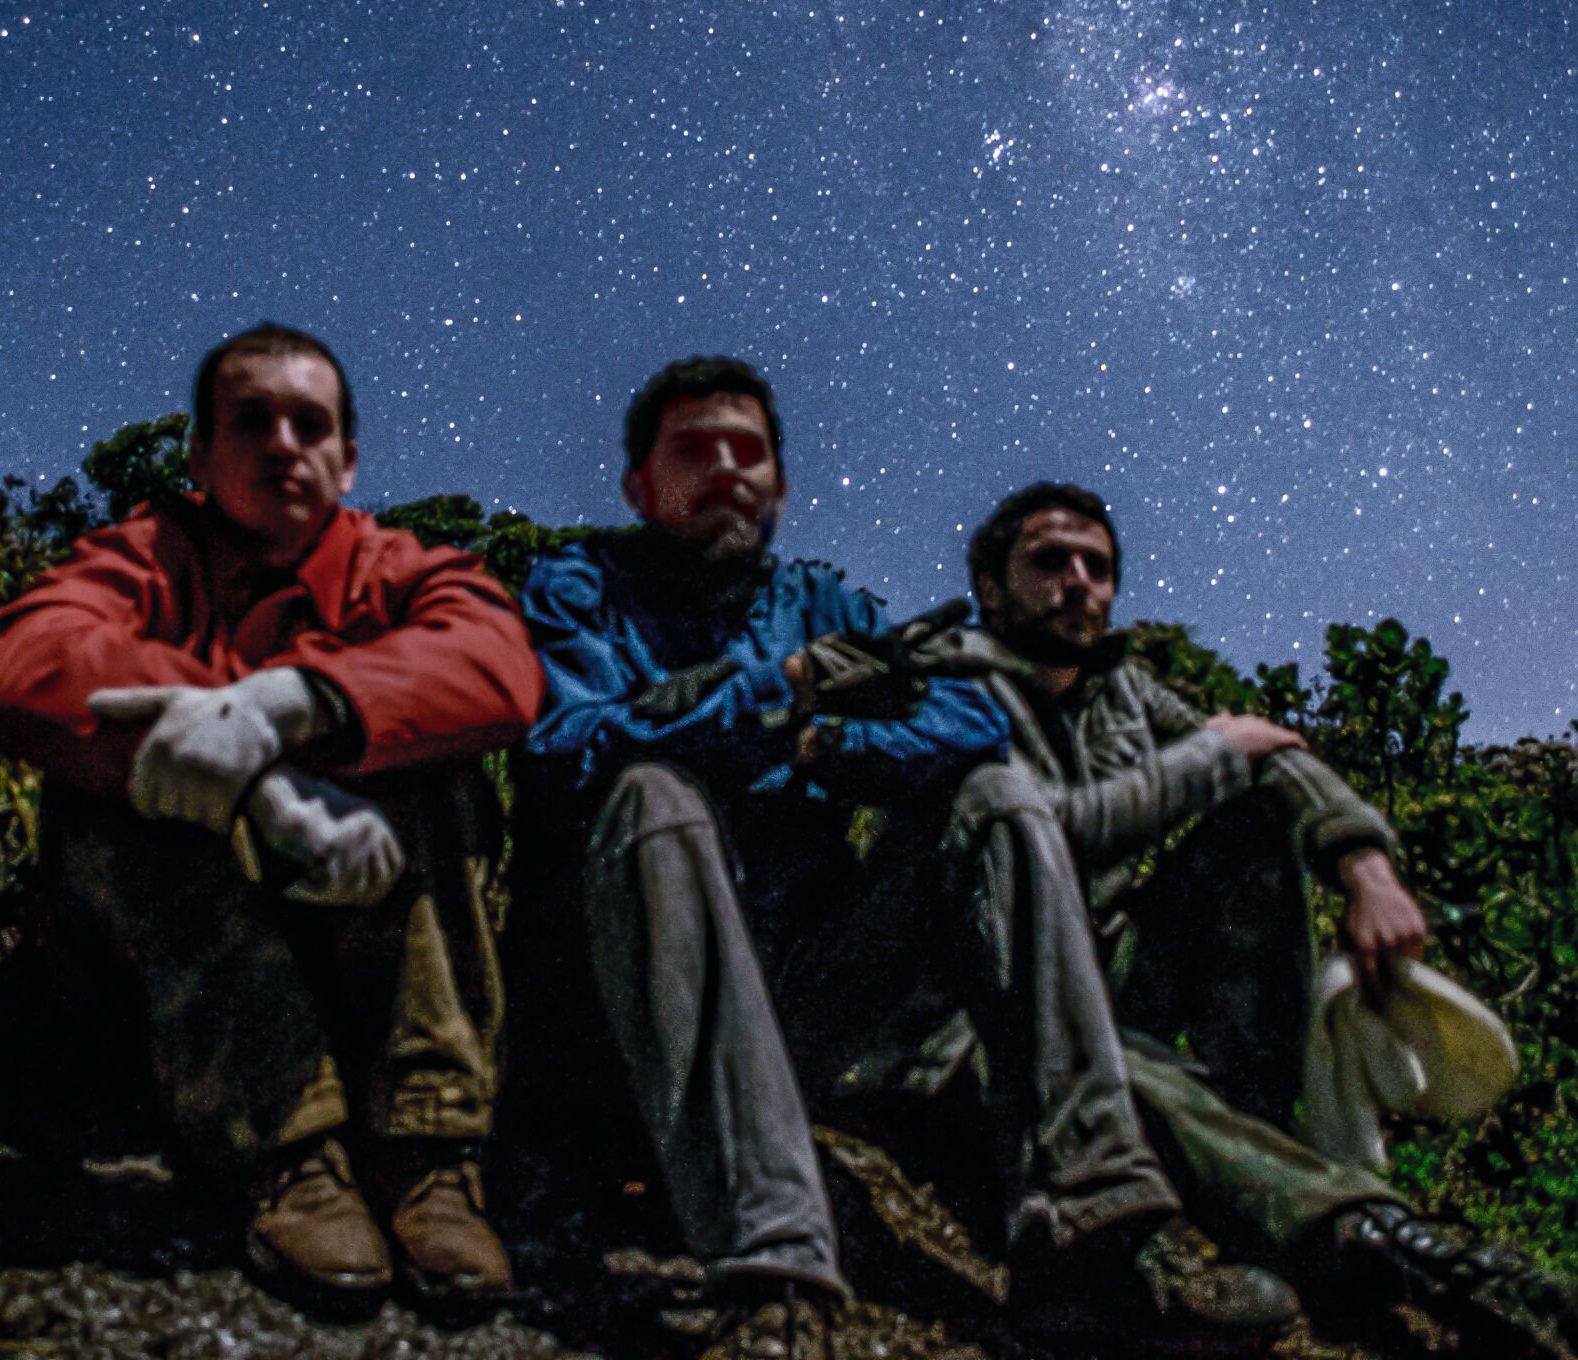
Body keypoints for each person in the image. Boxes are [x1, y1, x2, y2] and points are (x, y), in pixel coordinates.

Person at [514, 356, 1301, 1352]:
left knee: (996, 796)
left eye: (747, 451)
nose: (725, 469)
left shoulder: (826, 601)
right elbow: (565, 745)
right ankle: (774, 1263)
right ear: (638, 484)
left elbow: (967, 721)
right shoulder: (578, 588)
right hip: (628, 1018)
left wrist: (827, 742)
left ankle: (1087, 1229)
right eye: (692, 450)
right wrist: (778, 692)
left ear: (780, 485)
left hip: (801, 996)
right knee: (654, 792)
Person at [933, 481, 1578, 1358]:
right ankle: (1404, 1252)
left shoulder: (1124, 692)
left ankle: (1252, 1142)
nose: (1079, 583)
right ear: (992, 586)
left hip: (1105, 977)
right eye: (1049, 562)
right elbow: (1038, 830)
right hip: (981, 1016)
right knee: (1110, 1053)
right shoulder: (946, 681)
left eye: (1099, 567)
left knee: (1253, 820)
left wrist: (1365, 865)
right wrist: (1204, 760)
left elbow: (1268, 761)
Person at [0, 323, 544, 1315]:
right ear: (197, 455)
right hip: (160, 974)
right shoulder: (140, 555)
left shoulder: (404, 566)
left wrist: (300, 704)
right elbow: (22, 660)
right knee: (137, 776)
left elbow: (495, 662)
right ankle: (289, 1151)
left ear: (348, 457)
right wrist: (237, 771)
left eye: (308, 423)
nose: (282, 443)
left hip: (360, 939)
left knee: (442, 773)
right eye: (250, 421)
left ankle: (428, 1147)